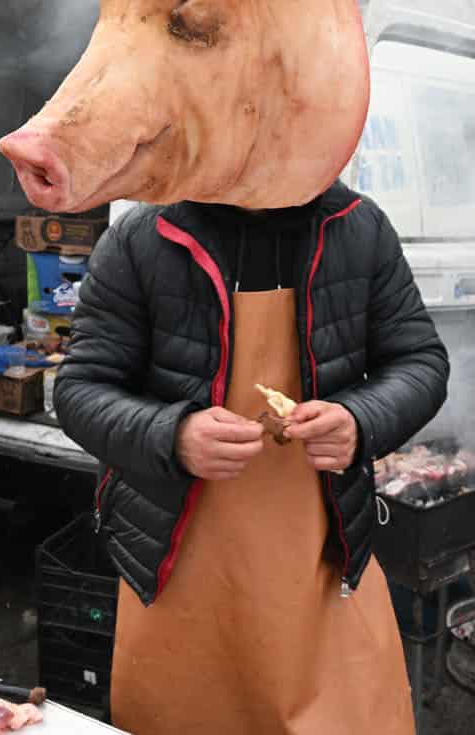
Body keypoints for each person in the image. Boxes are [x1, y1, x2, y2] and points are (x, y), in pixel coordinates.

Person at [55, 187, 450, 734]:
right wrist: (173, 434)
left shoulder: (359, 229)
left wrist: (361, 420)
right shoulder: (140, 239)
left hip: (324, 554)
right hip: (176, 565)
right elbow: (80, 389)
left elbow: (420, 361)